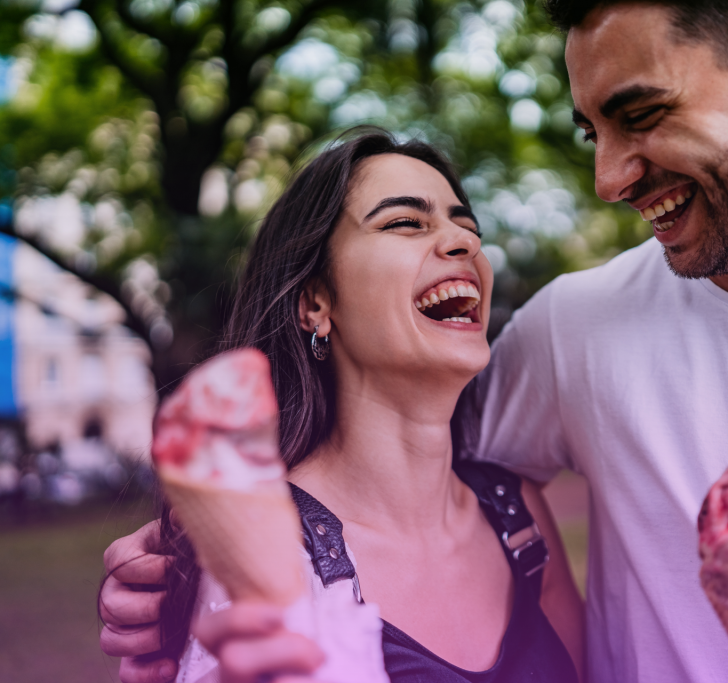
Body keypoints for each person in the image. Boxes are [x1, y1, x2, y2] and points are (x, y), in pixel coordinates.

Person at [104, 1, 728, 681]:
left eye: (641, 113)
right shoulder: (579, 330)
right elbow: (385, 447)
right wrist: (186, 557)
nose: (608, 177)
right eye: (591, 130)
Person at [100, 129, 584, 683]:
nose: (463, 243)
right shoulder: (262, 552)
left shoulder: (517, 516)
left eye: (468, 227)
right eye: (405, 222)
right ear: (315, 303)